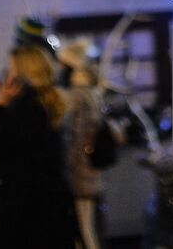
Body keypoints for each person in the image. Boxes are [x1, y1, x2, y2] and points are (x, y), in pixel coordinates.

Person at [0, 44, 77, 249]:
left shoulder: (27, 110)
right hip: (46, 205)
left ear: (23, 72)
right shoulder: (46, 105)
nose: (8, 74)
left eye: (12, 68)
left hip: (22, 208)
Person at [58, 40, 108, 249]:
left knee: (84, 229)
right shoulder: (92, 92)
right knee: (87, 227)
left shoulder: (77, 96)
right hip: (89, 171)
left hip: (79, 174)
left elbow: (74, 138)